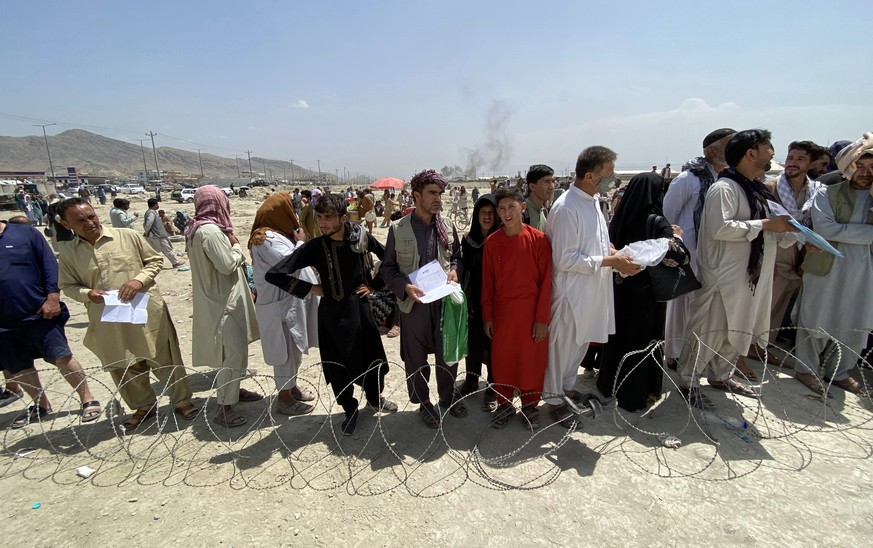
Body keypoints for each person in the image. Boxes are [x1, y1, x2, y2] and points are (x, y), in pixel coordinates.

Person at [677, 130, 798, 409]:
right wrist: (766, 226)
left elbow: (773, 226)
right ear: (751, 153)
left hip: (750, 275)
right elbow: (721, 228)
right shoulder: (725, 189)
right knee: (710, 328)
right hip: (723, 275)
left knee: (740, 327)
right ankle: (688, 380)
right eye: (768, 146)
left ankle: (721, 376)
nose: (772, 152)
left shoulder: (755, 189)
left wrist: (793, 233)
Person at [57, 198, 199, 430]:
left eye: (91, 216)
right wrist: (88, 293)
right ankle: (143, 405)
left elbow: (154, 261)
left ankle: (182, 401)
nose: (89, 223)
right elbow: (68, 286)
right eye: (80, 220)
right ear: (66, 224)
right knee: (123, 362)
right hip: (107, 317)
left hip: (144, 310)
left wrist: (137, 280)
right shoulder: (69, 254)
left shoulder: (127, 236)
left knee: (163, 357)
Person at [266, 194, 397, 435]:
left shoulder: (360, 238)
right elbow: (274, 274)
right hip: (331, 317)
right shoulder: (315, 247)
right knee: (338, 368)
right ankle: (349, 409)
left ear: (343, 218)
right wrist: (310, 288)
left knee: (372, 359)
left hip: (360, 312)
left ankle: (375, 399)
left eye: (329, 217)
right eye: (320, 217)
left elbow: (389, 256)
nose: (323, 223)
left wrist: (374, 285)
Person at [544, 146, 642, 426]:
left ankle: (567, 390)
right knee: (562, 349)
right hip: (571, 294)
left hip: (592, 292)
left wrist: (616, 253)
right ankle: (553, 400)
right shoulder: (567, 208)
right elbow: (565, 259)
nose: (612, 181)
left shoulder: (593, 201)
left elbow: (595, 244)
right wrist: (611, 261)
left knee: (579, 347)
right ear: (590, 176)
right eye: (608, 176)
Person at [596, 173, 690, 412]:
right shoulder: (658, 221)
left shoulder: (620, 216)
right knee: (643, 341)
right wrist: (677, 237)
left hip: (621, 288)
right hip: (647, 293)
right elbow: (677, 256)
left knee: (620, 338)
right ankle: (636, 393)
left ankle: (609, 384)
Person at [381, 170, 466, 428]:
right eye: (432, 193)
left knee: (447, 354)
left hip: (444, 305)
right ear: (416, 195)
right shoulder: (399, 228)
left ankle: (447, 397)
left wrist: (454, 270)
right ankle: (424, 403)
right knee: (415, 359)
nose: (438, 198)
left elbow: (457, 257)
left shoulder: (447, 225)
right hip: (414, 305)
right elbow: (387, 268)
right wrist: (405, 287)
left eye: (440, 193)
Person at [0, 218, 102, 428]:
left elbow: (49, 265)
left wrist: (52, 297)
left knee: (61, 356)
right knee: (19, 366)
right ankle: (40, 405)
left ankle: (87, 398)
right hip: (3, 322)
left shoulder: (25, 233)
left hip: (38, 311)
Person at [793, 134, 873, 395]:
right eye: (860, 166)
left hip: (862, 270)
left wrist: (843, 231)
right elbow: (826, 228)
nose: (865, 173)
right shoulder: (826, 192)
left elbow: (836, 230)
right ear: (849, 166)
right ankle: (806, 368)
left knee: (855, 321)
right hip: (826, 265)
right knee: (817, 316)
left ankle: (838, 372)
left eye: (871, 168)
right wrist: (862, 233)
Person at [186, 186, 262, 428]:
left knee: (235, 351)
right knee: (232, 354)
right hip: (223, 303)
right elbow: (227, 264)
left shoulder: (195, 229)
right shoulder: (210, 232)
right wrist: (237, 246)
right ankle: (223, 407)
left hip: (217, 299)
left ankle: (234, 391)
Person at [662, 128, 735, 369]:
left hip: (716, 255)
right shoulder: (688, 180)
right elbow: (668, 216)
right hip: (688, 254)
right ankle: (674, 353)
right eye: (728, 144)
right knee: (681, 306)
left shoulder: (728, 181)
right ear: (711, 151)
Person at [482, 188, 552, 429]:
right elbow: (488, 283)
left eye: (511, 207)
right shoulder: (492, 243)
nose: (506, 213)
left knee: (531, 360)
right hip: (503, 314)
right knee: (504, 360)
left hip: (532, 312)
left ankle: (531, 405)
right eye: (501, 209)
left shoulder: (539, 240)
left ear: (522, 207)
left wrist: (542, 319)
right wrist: (488, 316)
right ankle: (504, 404)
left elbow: (546, 283)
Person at [750, 141, 822, 365]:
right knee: (763, 304)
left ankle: (762, 346)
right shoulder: (771, 188)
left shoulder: (816, 192)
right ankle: (748, 346)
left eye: (800, 159)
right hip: (774, 255)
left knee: (780, 306)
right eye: (791, 157)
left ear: (811, 164)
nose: (793, 163)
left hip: (799, 255)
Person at [249, 193, 318, 416]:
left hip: (289, 303)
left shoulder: (279, 235)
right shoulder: (265, 239)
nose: (295, 213)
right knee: (284, 353)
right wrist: (300, 242)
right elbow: (288, 263)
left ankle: (291, 387)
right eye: (291, 208)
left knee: (294, 348)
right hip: (277, 306)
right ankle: (284, 400)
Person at [458, 194, 501, 409]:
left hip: (496, 301)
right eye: (483, 212)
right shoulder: (468, 240)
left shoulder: (502, 239)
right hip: (473, 299)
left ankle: (492, 387)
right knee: (472, 342)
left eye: (491, 213)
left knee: (493, 345)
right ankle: (472, 380)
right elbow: (462, 268)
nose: (487, 216)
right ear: (476, 215)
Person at [143, 198, 184, 268]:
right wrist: (146, 231)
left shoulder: (151, 212)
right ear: (155, 205)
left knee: (158, 250)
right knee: (165, 249)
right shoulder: (151, 213)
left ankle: (174, 262)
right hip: (156, 235)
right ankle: (175, 263)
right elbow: (148, 223)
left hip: (157, 235)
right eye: (157, 204)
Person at [523, 164, 555, 231]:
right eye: (547, 182)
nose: (551, 187)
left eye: (553, 182)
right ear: (532, 187)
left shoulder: (544, 212)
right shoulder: (522, 213)